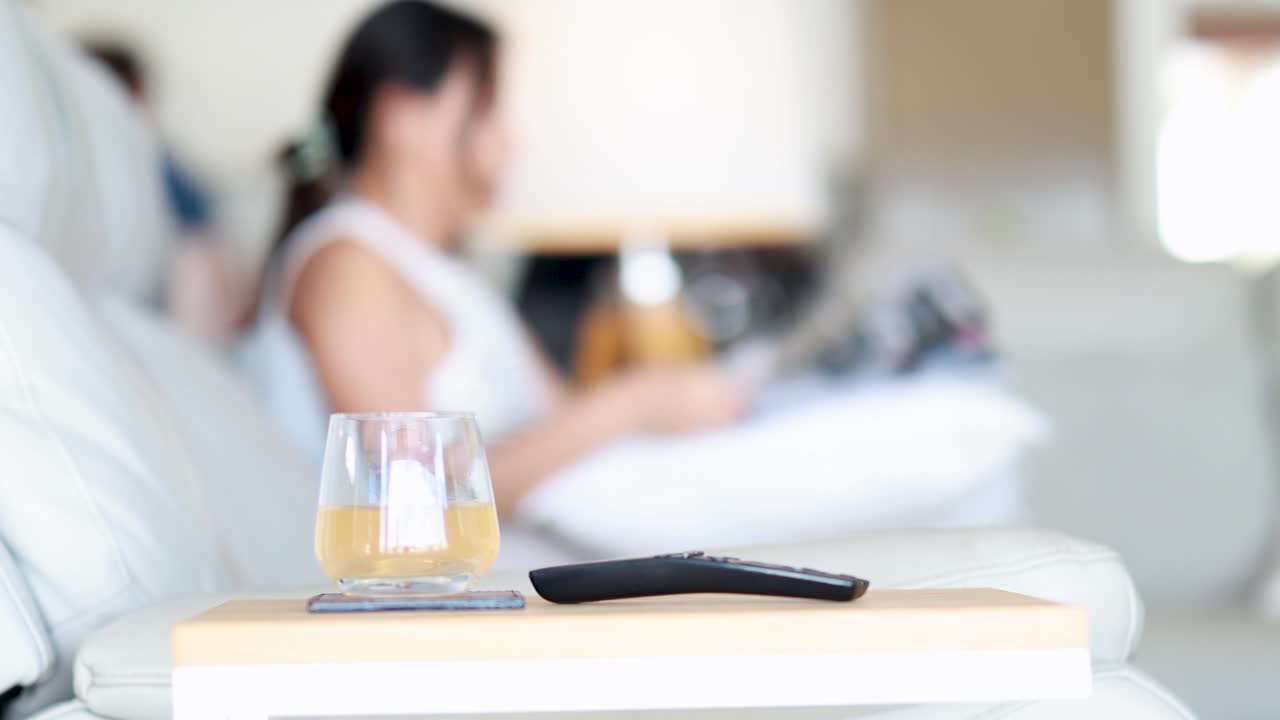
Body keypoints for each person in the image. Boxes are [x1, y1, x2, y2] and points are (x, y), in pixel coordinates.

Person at [246, 0, 748, 516]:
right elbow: (418, 492)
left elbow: (561, 419)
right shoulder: (346, 268)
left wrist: (655, 404)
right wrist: (628, 407)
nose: (507, 143)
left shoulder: (447, 274)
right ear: (401, 119)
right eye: (484, 112)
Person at [84, 41, 257, 345]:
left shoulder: (157, 156)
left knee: (197, 261)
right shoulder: (123, 156)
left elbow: (206, 224)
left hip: (193, 285)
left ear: (135, 90)